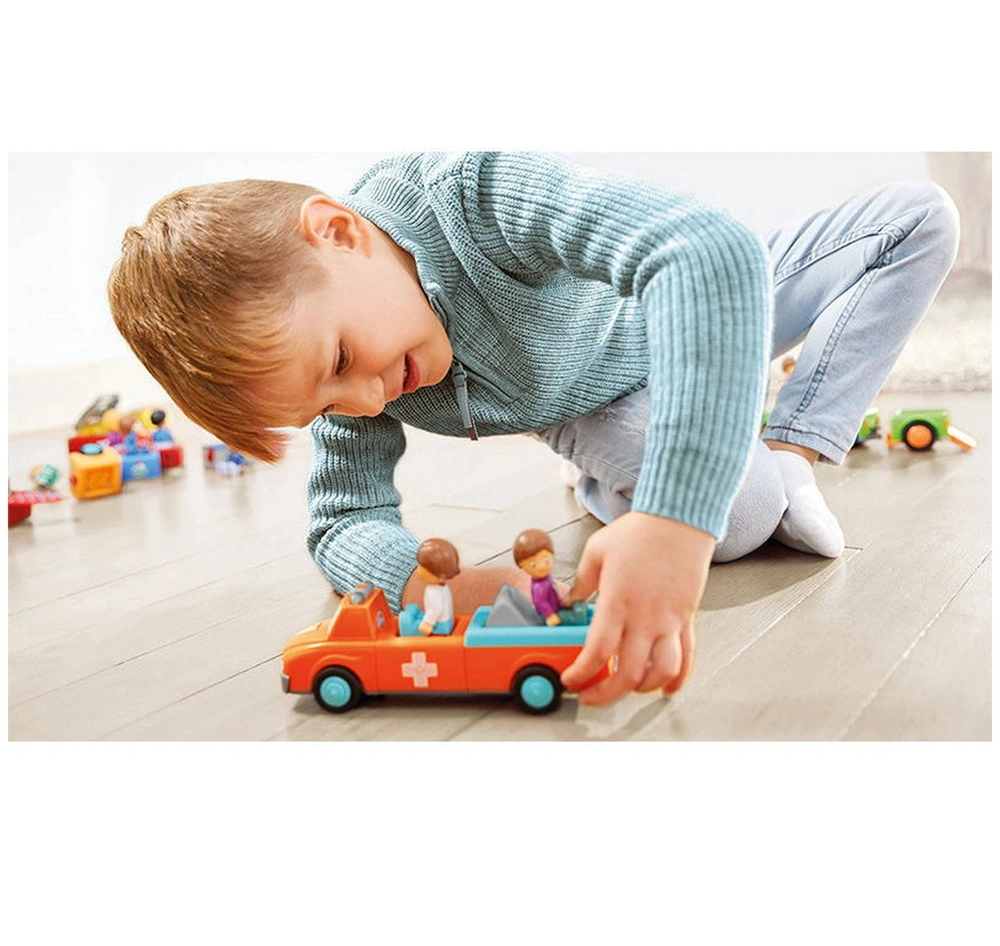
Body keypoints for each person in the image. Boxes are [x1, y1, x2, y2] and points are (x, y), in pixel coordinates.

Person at [107, 153, 959, 707]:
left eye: (339, 359)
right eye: (327, 407)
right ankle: (618, 474)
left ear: (341, 233)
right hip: (601, 394)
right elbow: (342, 523)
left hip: (681, 305)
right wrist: (440, 589)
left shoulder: (470, 195)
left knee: (921, 218)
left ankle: (792, 438)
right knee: (736, 520)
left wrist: (667, 527)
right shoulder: (363, 383)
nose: (364, 402)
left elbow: (708, 251)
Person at [512, 528, 565, 626]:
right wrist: (550, 615)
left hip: (557, 608)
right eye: (533, 564)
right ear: (521, 565)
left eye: (546, 560)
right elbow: (541, 602)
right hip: (548, 617)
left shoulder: (546, 579)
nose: (541, 566)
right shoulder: (539, 587)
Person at [414, 537, 460, 636]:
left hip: (439, 626)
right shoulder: (442, 588)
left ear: (440, 576)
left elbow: (436, 609)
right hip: (447, 622)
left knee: (408, 625)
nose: (418, 570)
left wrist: (428, 623)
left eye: (422, 567)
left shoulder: (434, 592)